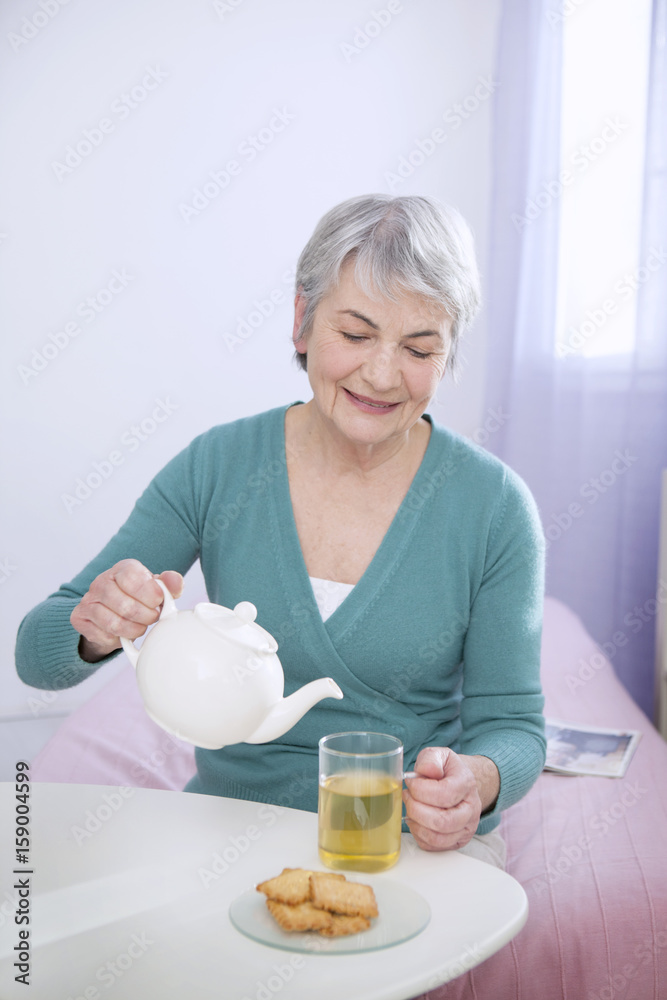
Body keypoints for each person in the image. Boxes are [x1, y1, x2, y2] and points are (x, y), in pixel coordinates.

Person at [15, 194, 546, 870]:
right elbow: (38, 652)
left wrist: (478, 781)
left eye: (418, 348)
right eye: (354, 335)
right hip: (229, 822)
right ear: (302, 320)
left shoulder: (493, 506)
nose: (381, 374)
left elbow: (514, 726)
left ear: (446, 355)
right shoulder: (218, 466)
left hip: (400, 838)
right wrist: (96, 626)